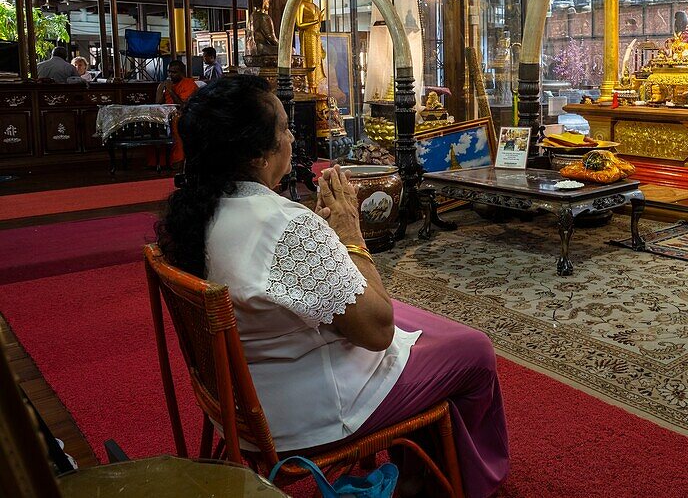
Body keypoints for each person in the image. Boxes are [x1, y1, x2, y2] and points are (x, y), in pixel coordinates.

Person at [155, 76, 508, 497]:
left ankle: (422, 471)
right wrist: (349, 235)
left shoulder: (196, 214)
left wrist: (323, 246)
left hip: (239, 408)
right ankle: (465, 482)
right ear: (257, 153)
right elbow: (376, 333)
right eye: (284, 128)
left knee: (416, 321)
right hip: (309, 416)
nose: (291, 138)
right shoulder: (286, 224)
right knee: (475, 350)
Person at [156, 60, 200, 166]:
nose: (170, 74)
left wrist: (171, 91)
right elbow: (158, 103)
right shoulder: (166, 84)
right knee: (151, 123)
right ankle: (158, 161)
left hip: (184, 114)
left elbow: (183, 106)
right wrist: (162, 88)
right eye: (169, 72)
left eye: (174, 72)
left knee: (177, 120)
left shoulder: (188, 84)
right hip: (165, 114)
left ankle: (178, 159)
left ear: (182, 73)